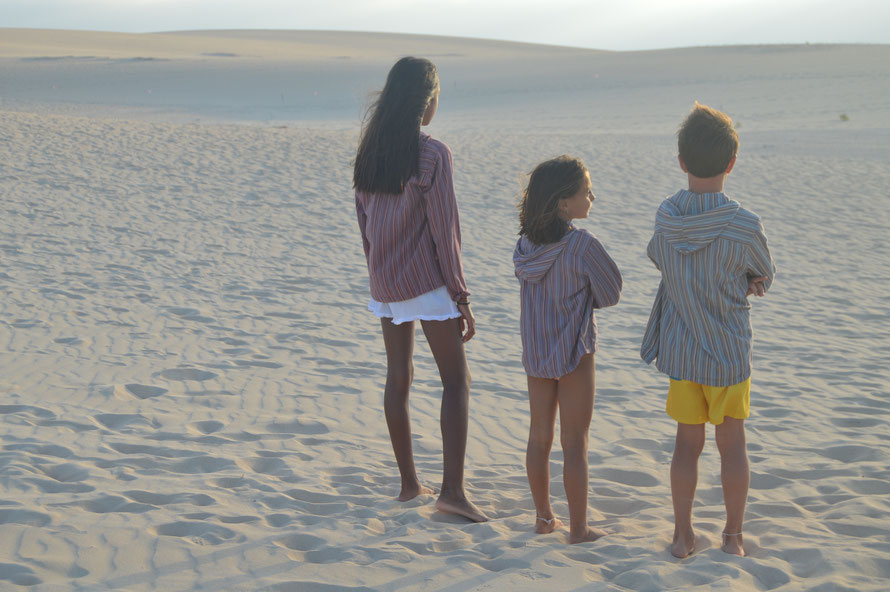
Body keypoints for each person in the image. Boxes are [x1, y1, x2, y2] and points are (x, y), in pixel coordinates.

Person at [354, 57, 487, 523]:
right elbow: (445, 232)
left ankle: (410, 484)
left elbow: (364, 225)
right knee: (457, 380)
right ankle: (452, 491)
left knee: (399, 378)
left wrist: (379, 276)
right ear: (425, 101)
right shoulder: (432, 154)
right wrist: (462, 297)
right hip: (427, 282)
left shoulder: (369, 152)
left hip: (386, 283)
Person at [641, 102, 776, 558]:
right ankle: (732, 538)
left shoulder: (666, 214)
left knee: (686, 444)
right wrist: (750, 282)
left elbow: (658, 256)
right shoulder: (744, 224)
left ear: (681, 161)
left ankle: (682, 535)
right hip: (729, 353)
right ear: (732, 163)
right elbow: (764, 274)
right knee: (732, 445)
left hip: (682, 350)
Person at [513, 155, 622, 544]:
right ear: (563, 203)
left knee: (539, 436)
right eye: (585, 191)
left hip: (538, 352)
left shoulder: (524, 247)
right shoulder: (582, 246)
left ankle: (544, 518)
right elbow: (612, 292)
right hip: (576, 351)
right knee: (575, 443)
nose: (592, 195)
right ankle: (578, 529)